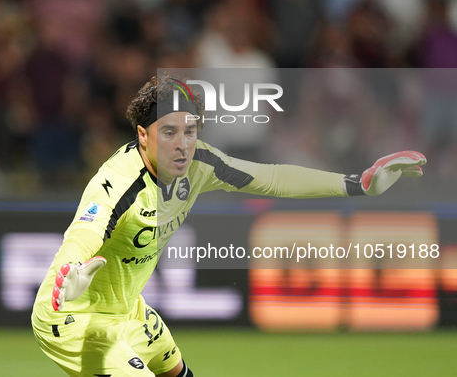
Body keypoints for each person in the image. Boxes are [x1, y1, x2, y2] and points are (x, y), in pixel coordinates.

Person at [31, 75, 426, 377]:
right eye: (169, 132)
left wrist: (356, 184)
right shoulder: (119, 182)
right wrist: (70, 271)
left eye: (190, 130)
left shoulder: (201, 163)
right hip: (72, 315)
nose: (183, 143)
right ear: (143, 135)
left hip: (127, 312)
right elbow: (83, 234)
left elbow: (271, 177)